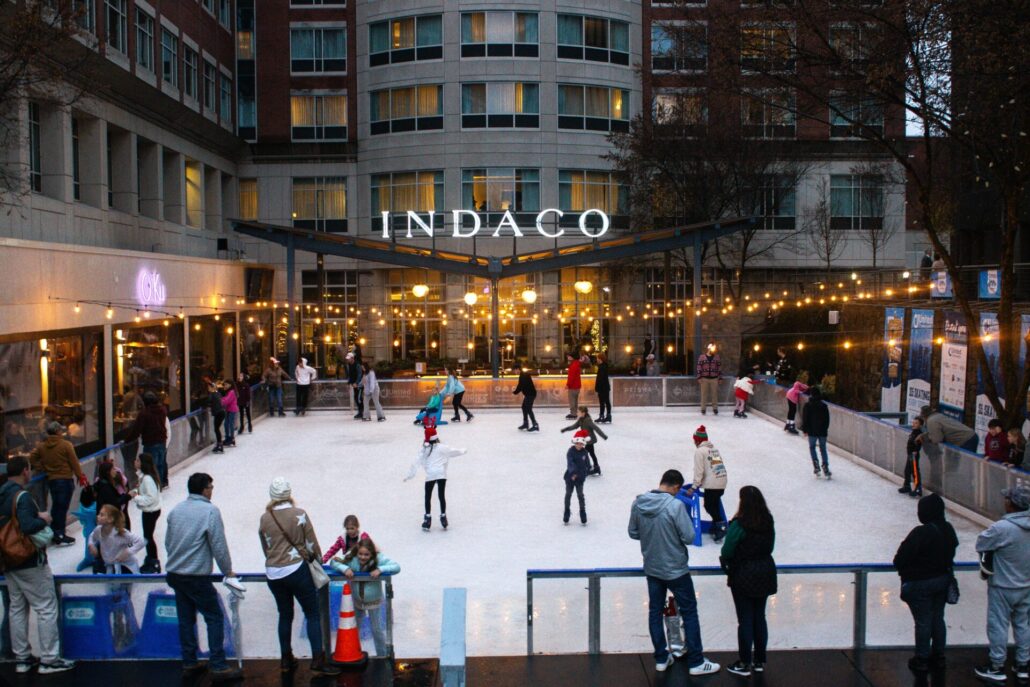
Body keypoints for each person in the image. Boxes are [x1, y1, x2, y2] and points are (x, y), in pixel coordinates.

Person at [628, 469, 720, 676]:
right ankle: (696, 661)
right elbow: (689, 536)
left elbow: (633, 532)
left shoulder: (639, 503)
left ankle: (661, 658)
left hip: (653, 568)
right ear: (677, 487)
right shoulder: (675, 506)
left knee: (655, 612)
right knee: (689, 612)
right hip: (676, 570)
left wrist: (652, 535)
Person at [258, 477, 341, 676]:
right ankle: (318, 660)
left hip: (273, 573)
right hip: (296, 570)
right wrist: (318, 562)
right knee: (312, 613)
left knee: (285, 614)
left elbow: (265, 546)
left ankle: (286, 659)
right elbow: (311, 543)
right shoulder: (299, 514)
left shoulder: (265, 518)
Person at [0, 458, 75, 674]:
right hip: (29, 561)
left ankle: (22, 658)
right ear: (25, 471)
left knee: (17, 608)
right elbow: (27, 525)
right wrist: (43, 518)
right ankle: (49, 659)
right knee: (46, 607)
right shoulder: (22, 497)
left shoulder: (2, 494)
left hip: (9, 560)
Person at [164, 473, 242, 682]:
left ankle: (189, 662)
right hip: (196, 576)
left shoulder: (176, 510)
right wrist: (227, 570)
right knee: (214, 617)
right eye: (210, 487)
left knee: (186, 619)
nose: (212, 491)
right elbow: (218, 545)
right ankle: (218, 664)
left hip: (175, 574)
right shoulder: (210, 511)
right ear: (204, 490)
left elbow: (168, 542)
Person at [893, 493, 958, 674]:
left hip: (920, 584)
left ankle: (921, 658)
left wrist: (907, 572)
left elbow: (900, 558)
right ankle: (939, 656)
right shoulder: (948, 529)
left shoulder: (921, 533)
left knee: (923, 621)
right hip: (942, 581)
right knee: (937, 619)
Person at [973, 485, 1030, 682]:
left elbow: (981, 543)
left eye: (1007, 499)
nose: (1005, 501)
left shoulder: (1002, 528)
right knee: (1023, 625)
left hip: (1002, 587)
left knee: (998, 626)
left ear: (1012, 504)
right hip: (1026, 586)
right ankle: (1023, 664)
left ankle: (996, 666)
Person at [720, 485, 777, 677]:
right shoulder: (767, 521)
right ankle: (759, 661)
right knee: (759, 617)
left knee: (745, 619)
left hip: (743, 574)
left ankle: (744, 662)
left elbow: (727, 550)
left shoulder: (740, 524)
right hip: (765, 572)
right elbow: (770, 546)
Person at [329, 538, 400, 658]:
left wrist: (380, 569)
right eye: (360, 554)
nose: (362, 557)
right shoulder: (352, 558)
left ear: (372, 553)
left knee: (376, 630)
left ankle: (382, 656)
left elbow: (396, 567)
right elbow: (334, 562)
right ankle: (353, 653)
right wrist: (345, 569)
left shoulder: (379, 559)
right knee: (353, 628)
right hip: (357, 601)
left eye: (366, 554)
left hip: (374, 601)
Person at [28, 421, 86, 546]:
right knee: (62, 508)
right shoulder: (66, 445)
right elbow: (74, 462)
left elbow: (32, 457)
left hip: (52, 480)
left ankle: (56, 531)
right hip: (65, 480)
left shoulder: (42, 446)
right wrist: (80, 476)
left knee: (56, 507)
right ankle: (59, 534)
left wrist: (41, 466)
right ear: (58, 431)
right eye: (61, 430)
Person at [404, 423, 467, 531]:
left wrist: (409, 476)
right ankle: (443, 517)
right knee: (441, 496)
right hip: (441, 474)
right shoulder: (443, 447)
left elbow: (415, 463)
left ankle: (427, 519)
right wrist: (464, 450)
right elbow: (454, 452)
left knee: (427, 497)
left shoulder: (424, 450)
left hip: (431, 475)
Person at [684, 425, 728, 541]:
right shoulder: (713, 450)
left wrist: (694, 486)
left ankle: (721, 526)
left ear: (697, 440)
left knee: (708, 505)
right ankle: (716, 525)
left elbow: (699, 471)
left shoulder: (700, 451)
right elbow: (716, 467)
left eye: (694, 440)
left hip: (712, 484)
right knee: (713, 505)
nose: (694, 442)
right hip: (721, 482)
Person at [123, 392, 169, 488]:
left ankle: (153, 486)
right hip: (162, 442)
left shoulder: (144, 414)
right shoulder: (162, 410)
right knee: (160, 464)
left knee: (150, 467)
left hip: (151, 443)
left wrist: (127, 440)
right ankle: (159, 484)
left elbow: (137, 430)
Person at [88, 504, 146, 574]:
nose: (98, 516)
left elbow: (141, 541)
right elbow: (92, 536)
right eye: (99, 514)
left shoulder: (121, 533)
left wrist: (128, 552)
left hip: (125, 565)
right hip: (109, 564)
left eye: (101, 515)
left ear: (110, 519)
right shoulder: (98, 530)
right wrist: (91, 544)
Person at [131, 452, 163, 573]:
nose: (135, 462)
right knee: (147, 536)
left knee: (148, 537)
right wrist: (137, 491)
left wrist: (136, 497)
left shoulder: (147, 479)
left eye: (138, 460)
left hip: (151, 512)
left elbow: (151, 498)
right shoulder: (144, 477)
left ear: (143, 463)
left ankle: (154, 562)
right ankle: (150, 559)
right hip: (150, 511)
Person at [561, 406, 608, 476]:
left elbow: (596, 428)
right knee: (591, 453)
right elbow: (574, 426)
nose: (577, 413)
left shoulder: (588, 420)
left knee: (584, 453)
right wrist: (565, 429)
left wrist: (603, 436)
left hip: (590, 440)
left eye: (578, 412)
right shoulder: (581, 420)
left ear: (583, 413)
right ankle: (595, 467)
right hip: (586, 439)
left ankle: (588, 467)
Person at [563, 430, 592, 525]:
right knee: (568, 494)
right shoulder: (570, 452)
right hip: (570, 478)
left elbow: (587, 464)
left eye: (581, 444)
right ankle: (567, 511)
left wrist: (585, 473)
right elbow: (570, 463)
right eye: (578, 443)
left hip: (580, 478)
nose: (579, 445)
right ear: (575, 443)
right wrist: (573, 473)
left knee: (580, 495)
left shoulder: (585, 452)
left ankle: (582, 511)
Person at [801, 387, 832, 478]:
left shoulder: (808, 405)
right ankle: (825, 466)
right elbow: (827, 420)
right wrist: (825, 429)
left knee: (812, 447)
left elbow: (805, 418)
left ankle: (816, 465)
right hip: (822, 431)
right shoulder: (824, 406)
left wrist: (805, 430)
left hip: (812, 431)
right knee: (823, 448)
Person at [95, 460, 132, 530]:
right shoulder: (105, 487)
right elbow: (114, 502)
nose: (115, 471)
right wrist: (128, 496)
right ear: (108, 472)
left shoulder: (105, 484)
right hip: (109, 521)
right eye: (113, 469)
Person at [900, 417, 925, 497]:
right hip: (910, 455)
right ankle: (907, 486)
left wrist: (915, 451)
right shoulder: (913, 432)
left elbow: (919, 444)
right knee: (907, 471)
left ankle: (918, 489)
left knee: (915, 472)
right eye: (913, 423)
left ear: (920, 425)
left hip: (914, 455)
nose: (913, 424)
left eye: (916, 423)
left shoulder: (919, 434)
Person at [695, 344, 722, 416]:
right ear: (708, 349)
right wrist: (699, 377)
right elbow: (699, 367)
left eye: (714, 349)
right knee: (704, 394)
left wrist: (720, 378)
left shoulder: (717, 357)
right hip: (704, 378)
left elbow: (719, 368)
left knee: (714, 394)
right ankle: (703, 408)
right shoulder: (702, 357)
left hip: (714, 378)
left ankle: (715, 408)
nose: (713, 350)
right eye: (712, 348)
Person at [513, 366, 539, 432]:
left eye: (515, 370)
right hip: (528, 394)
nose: (514, 372)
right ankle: (525, 423)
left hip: (530, 394)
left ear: (518, 369)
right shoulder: (522, 375)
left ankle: (535, 424)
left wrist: (515, 392)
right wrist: (516, 391)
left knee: (528, 408)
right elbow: (520, 385)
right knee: (524, 407)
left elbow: (521, 385)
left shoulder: (524, 375)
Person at [207, 382, 226, 454]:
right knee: (217, 429)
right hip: (222, 412)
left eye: (209, 387)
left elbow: (208, 402)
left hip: (218, 413)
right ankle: (219, 444)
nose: (208, 389)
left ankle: (219, 444)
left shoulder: (212, 395)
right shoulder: (218, 394)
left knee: (216, 429)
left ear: (212, 388)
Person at [220, 381, 238, 448]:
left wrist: (219, 401)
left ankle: (231, 439)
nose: (225, 386)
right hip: (228, 410)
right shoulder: (228, 392)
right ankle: (227, 438)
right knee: (226, 424)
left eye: (226, 384)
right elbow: (225, 399)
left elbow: (227, 401)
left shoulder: (231, 392)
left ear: (230, 385)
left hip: (232, 410)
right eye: (224, 384)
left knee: (230, 424)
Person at [594, 353, 612, 423]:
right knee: (607, 402)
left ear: (600, 359)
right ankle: (608, 416)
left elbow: (600, 379)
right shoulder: (604, 366)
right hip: (605, 387)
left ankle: (602, 416)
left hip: (602, 388)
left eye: (597, 358)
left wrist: (597, 388)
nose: (597, 359)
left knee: (602, 402)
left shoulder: (602, 367)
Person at [345, 352, 363, 420]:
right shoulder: (348, 365)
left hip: (359, 385)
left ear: (352, 358)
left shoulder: (357, 365)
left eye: (349, 358)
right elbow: (350, 375)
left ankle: (362, 412)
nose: (348, 360)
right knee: (356, 397)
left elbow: (359, 374)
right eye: (347, 359)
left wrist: (356, 382)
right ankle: (360, 412)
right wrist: (349, 383)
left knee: (359, 398)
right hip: (354, 384)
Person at [565, 353, 582, 419]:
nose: (567, 357)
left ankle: (573, 413)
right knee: (575, 400)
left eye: (569, 356)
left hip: (573, 386)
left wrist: (568, 384)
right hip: (577, 385)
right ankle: (575, 412)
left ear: (572, 357)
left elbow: (571, 376)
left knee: (572, 400)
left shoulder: (573, 365)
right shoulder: (576, 364)